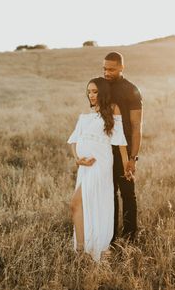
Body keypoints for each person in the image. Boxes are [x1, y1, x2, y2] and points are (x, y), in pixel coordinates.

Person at [67, 77, 130, 261]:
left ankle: (91, 248)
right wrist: (78, 160)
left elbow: (120, 142)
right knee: (82, 205)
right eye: (89, 91)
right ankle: (81, 250)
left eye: (95, 91)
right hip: (84, 167)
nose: (91, 95)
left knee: (76, 203)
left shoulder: (112, 109)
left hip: (99, 164)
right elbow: (73, 140)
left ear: (102, 92)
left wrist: (127, 165)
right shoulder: (85, 116)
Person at [103, 51, 143, 242]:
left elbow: (136, 127)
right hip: (102, 149)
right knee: (107, 193)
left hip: (123, 150)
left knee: (127, 193)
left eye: (111, 69)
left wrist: (133, 158)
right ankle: (109, 236)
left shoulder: (131, 90)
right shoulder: (101, 87)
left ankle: (130, 237)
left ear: (121, 68)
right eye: (104, 68)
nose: (107, 72)